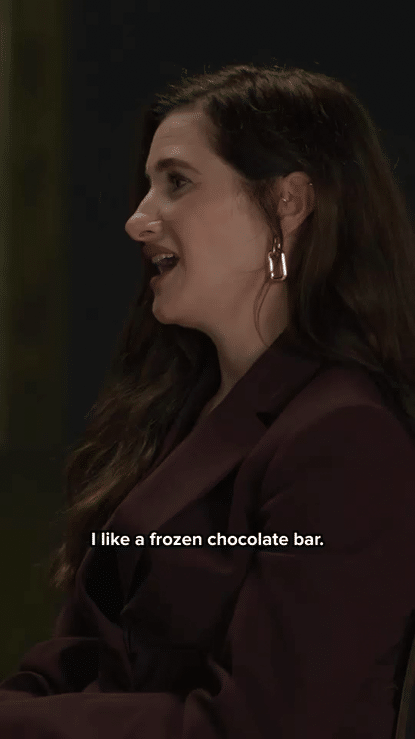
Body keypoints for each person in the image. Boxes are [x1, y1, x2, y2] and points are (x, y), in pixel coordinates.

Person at [1, 60, 415, 739]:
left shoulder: (345, 438)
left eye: (177, 182)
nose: (138, 220)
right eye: (148, 185)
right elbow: (82, 657)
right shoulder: (180, 405)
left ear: (288, 202)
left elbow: (264, 726)